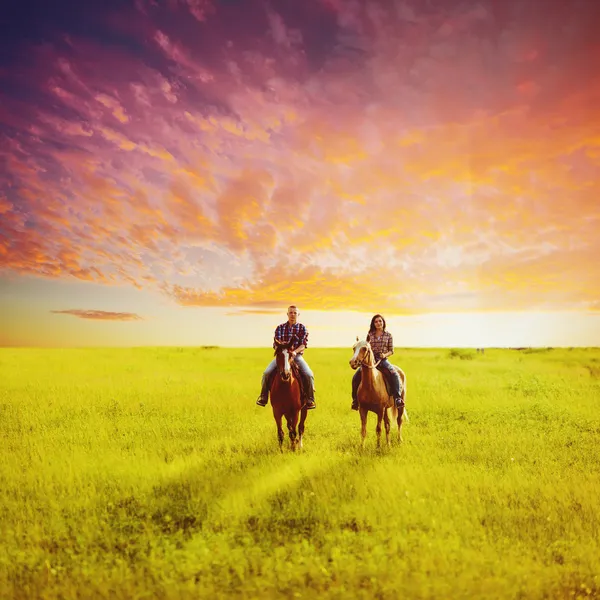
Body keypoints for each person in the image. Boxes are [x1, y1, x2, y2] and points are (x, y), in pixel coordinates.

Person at [256, 305, 316, 409]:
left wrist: (294, 352)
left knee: (309, 374)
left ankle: (310, 399)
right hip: (283, 356)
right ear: (287, 314)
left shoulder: (302, 328)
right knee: (266, 373)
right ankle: (263, 396)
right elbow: (276, 343)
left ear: (298, 315)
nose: (292, 315)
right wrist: (283, 350)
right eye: (291, 312)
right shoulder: (280, 328)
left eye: (295, 313)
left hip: (296, 356)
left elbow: (303, 345)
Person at [351, 313, 403, 411]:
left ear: (383, 322)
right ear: (373, 324)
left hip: (382, 360)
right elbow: (366, 347)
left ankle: (397, 398)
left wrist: (384, 355)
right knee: (356, 377)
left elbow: (391, 350)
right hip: (370, 360)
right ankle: (355, 400)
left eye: (380, 321)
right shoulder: (370, 334)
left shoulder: (388, 335)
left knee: (394, 374)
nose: (378, 323)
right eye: (376, 321)